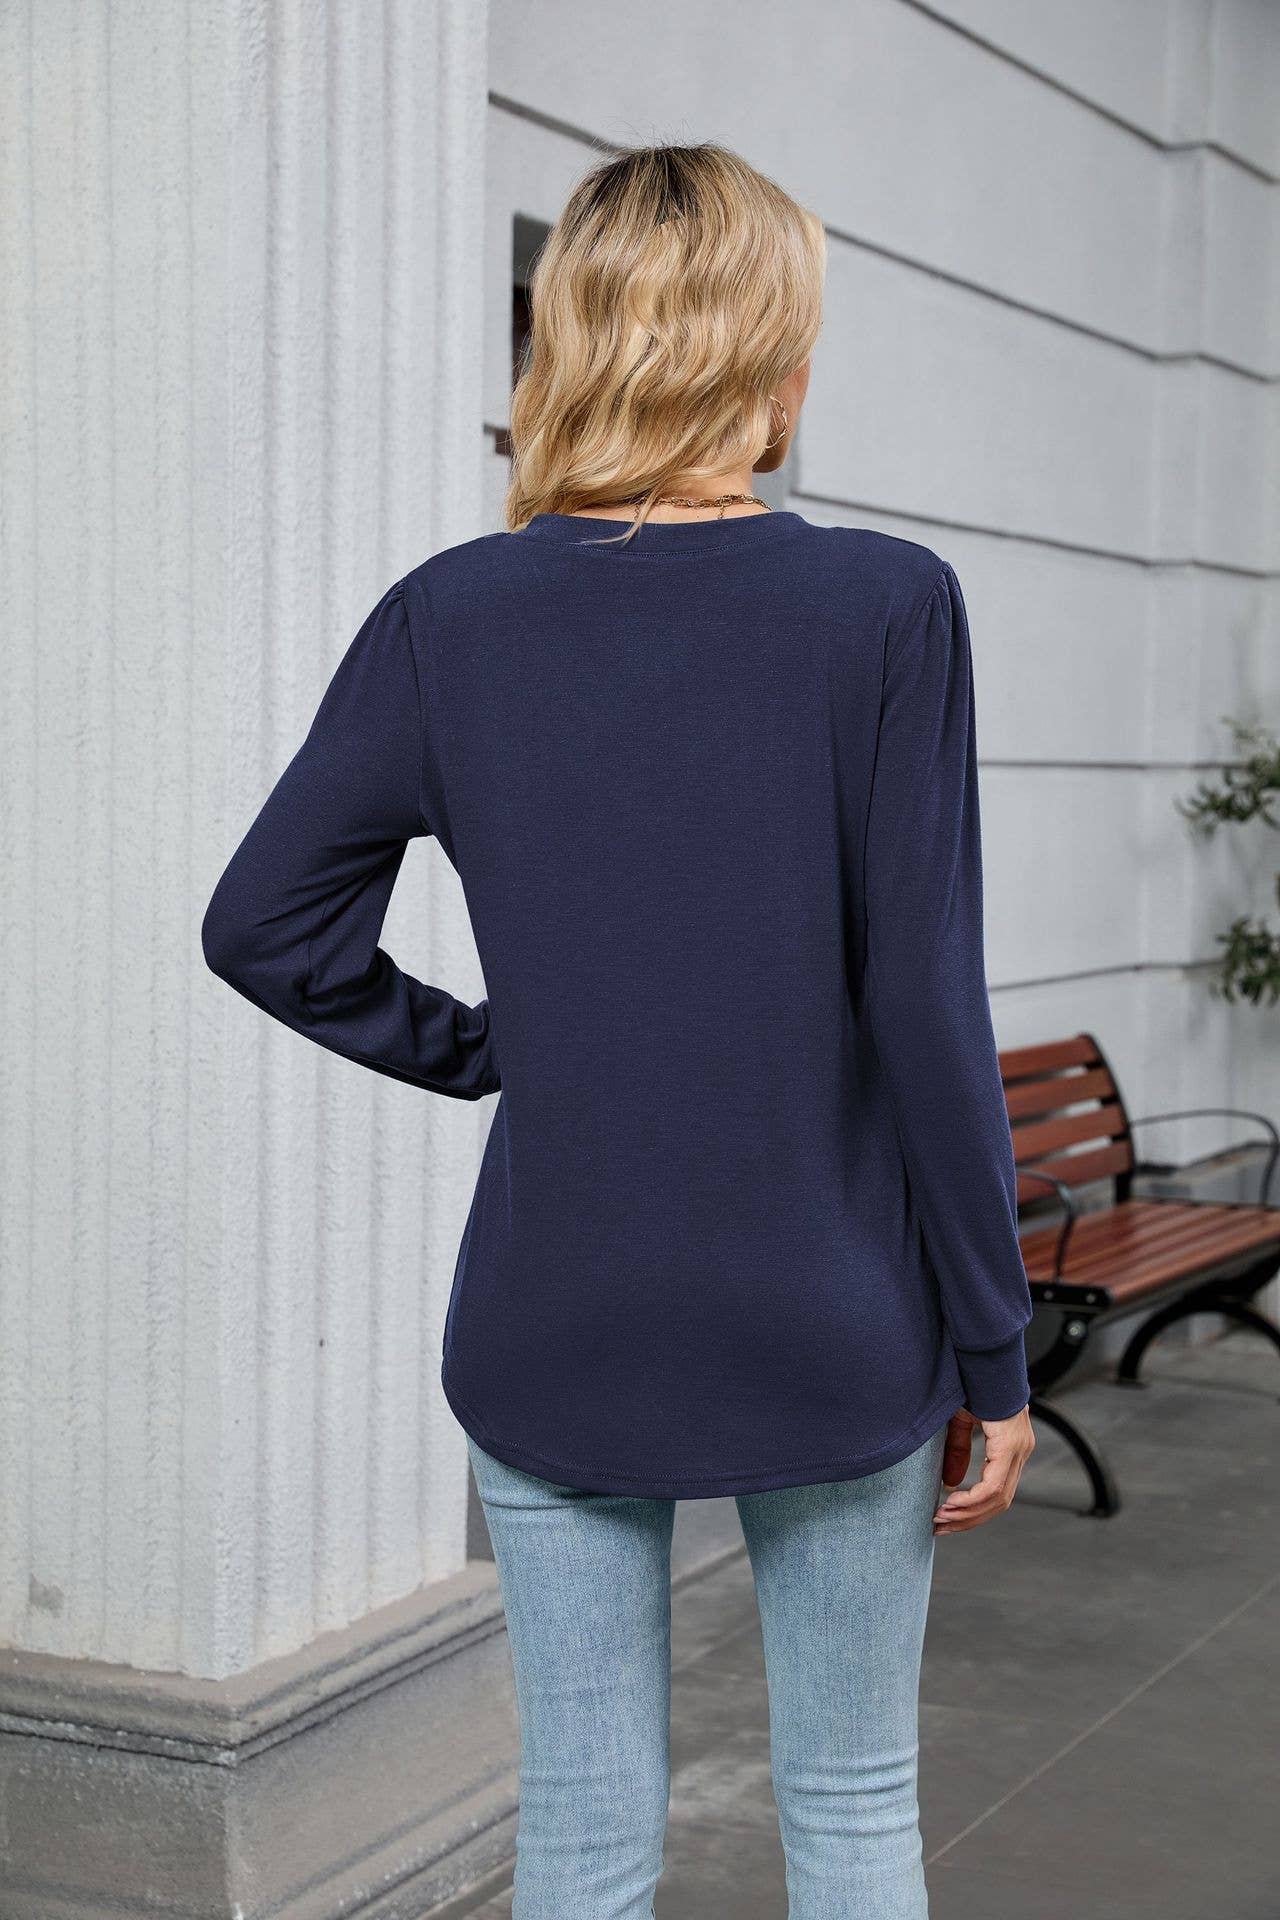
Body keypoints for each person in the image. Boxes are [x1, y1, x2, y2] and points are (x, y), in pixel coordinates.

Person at [202, 141, 1035, 1920]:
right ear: (776, 358)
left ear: (571, 342)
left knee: (583, 1834)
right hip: (836, 1315)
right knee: (853, 1807)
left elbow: (263, 925)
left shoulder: (451, 616)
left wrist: (485, 1046)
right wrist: (995, 1350)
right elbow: (924, 1006)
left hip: (556, 1311)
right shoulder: (887, 605)